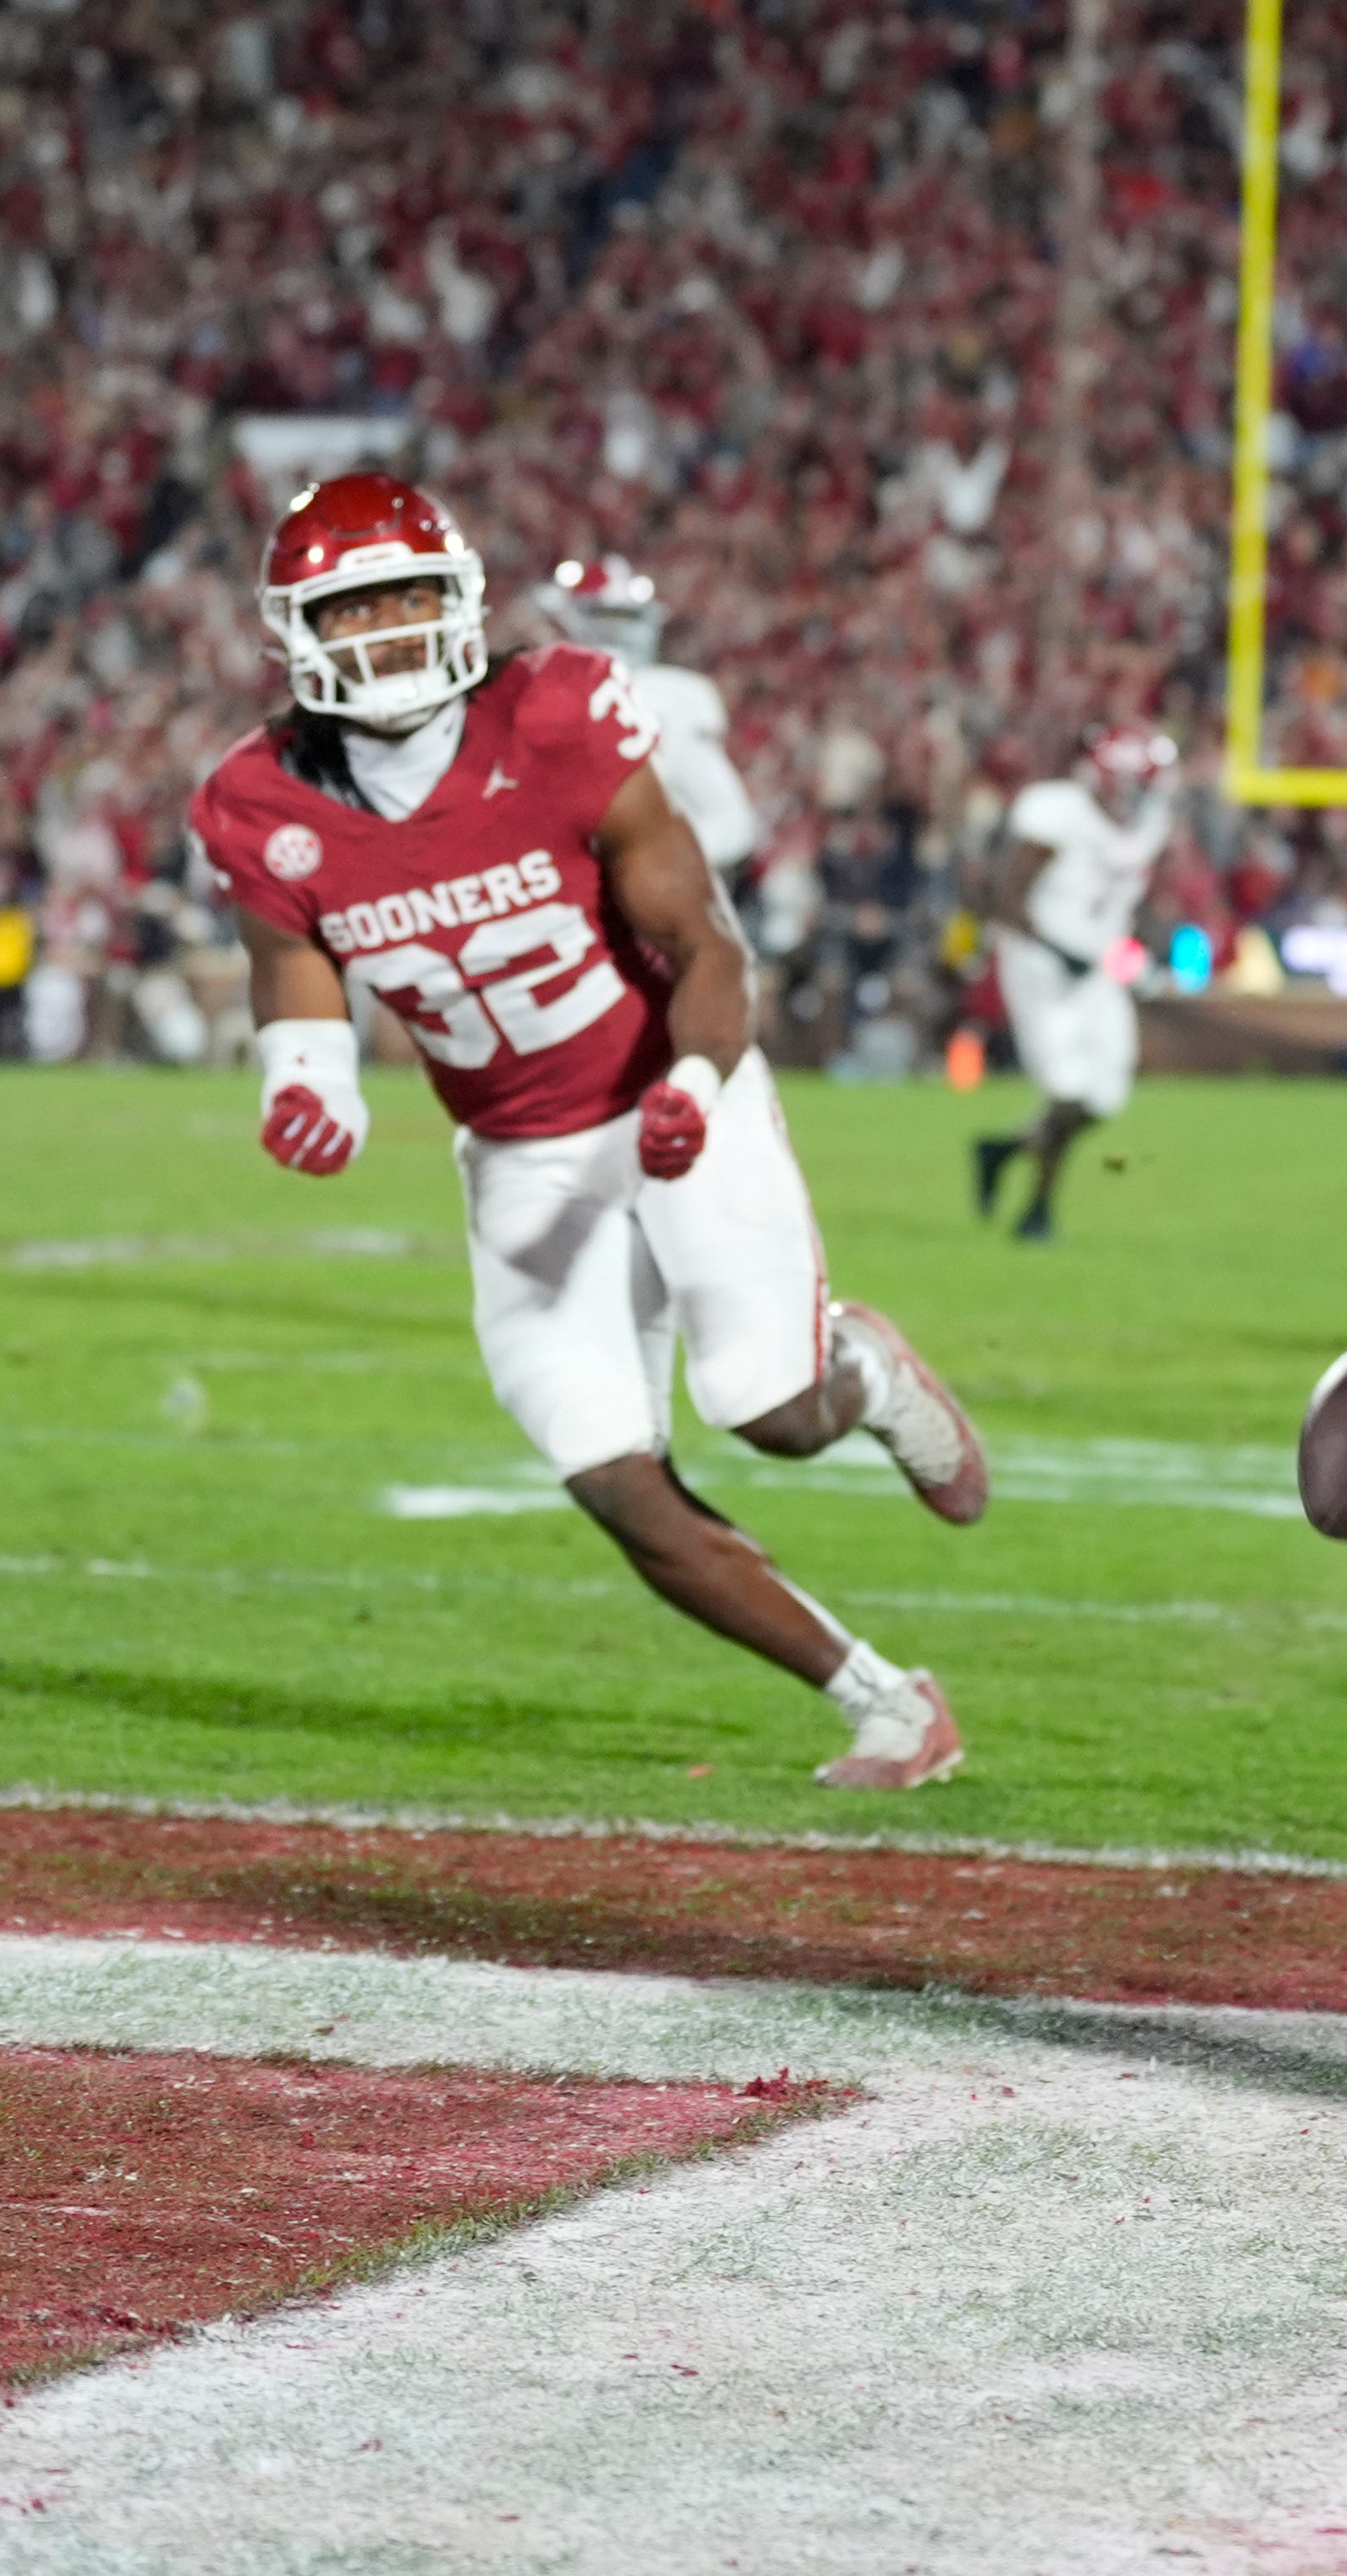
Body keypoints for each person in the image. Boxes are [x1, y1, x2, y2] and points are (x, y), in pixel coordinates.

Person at [191, 473, 992, 1788]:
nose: (389, 631)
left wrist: (692, 1079)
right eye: (355, 606)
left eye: (409, 597)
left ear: (462, 604)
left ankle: (865, 1372)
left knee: (769, 1412)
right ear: (295, 632)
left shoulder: (557, 714)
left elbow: (703, 942)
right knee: (609, 1473)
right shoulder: (257, 801)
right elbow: (295, 966)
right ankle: (886, 1703)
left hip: (674, 1095)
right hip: (518, 1154)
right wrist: (305, 1080)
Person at [973, 725, 1175, 1245]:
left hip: (1100, 962)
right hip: (1039, 960)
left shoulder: (1150, 822)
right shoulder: (1056, 811)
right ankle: (1038, 1211)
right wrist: (1059, 952)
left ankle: (1005, 1150)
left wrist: (1140, 952)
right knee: (1067, 1088)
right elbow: (1006, 896)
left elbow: (1130, 899)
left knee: (1105, 1096)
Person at [538, 554, 768, 874]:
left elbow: (731, 823)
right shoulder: (548, 692)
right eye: (608, 617)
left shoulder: (668, 695)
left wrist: (653, 859)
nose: (618, 632)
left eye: (623, 618)